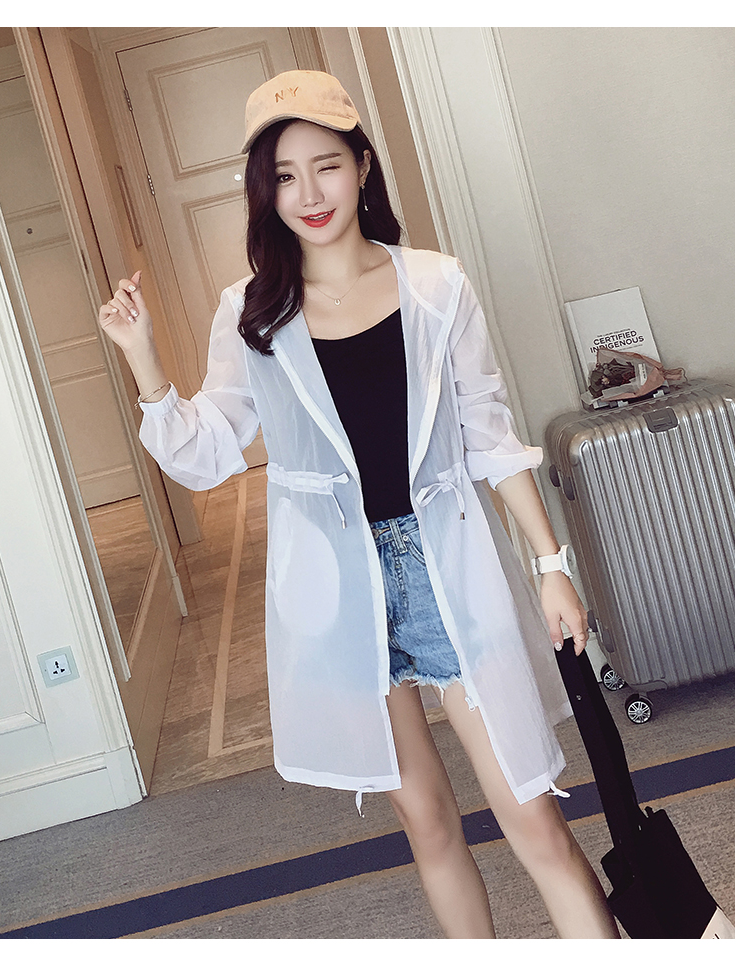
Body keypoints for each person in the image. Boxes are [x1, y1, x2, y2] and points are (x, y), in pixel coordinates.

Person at [98, 70, 619, 939]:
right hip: (336, 593)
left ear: (363, 167)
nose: (308, 194)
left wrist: (551, 564)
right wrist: (143, 358)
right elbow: (205, 453)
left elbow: (490, 435)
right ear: (264, 190)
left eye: (327, 165)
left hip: (445, 565)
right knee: (428, 824)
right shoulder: (252, 312)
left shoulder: (437, 287)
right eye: (284, 175)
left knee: (533, 815)